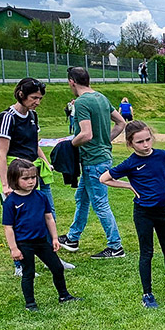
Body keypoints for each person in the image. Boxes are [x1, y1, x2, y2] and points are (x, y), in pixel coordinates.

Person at [100, 121, 165, 309]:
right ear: (130, 144)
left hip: (163, 211)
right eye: (140, 142)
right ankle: (147, 294)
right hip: (143, 212)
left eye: (148, 140)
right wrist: (129, 185)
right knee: (147, 252)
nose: (145, 145)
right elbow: (104, 178)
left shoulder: (161, 155)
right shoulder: (130, 163)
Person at [0, 77, 73, 276]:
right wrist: (5, 184)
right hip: (17, 174)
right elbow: (1, 153)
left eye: (39, 98)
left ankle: (51, 258)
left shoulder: (33, 116)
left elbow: (34, 143)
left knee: (48, 214)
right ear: (21, 94)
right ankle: (20, 265)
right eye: (34, 98)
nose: (37, 102)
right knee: (22, 220)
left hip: (36, 172)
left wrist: (45, 162)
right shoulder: (7, 117)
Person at [58, 67, 126, 259]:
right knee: (82, 198)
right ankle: (72, 238)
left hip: (93, 161)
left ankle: (115, 246)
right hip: (100, 158)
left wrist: (69, 145)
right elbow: (121, 123)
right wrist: (105, 140)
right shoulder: (101, 98)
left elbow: (86, 134)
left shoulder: (81, 102)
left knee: (100, 203)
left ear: (72, 81)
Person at [2, 158, 78, 311]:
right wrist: (13, 248)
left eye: (33, 177)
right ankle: (30, 303)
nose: (31, 181)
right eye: (25, 178)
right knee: (28, 273)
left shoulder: (41, 197)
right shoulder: (11, 202)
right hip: (24, 244)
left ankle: (64, 295)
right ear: (14, 179)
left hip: (42, 241)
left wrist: (55, 238)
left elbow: (49, 218)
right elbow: (8, 227)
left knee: (57, 267)